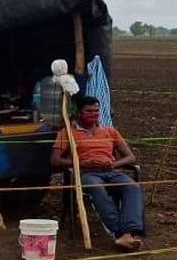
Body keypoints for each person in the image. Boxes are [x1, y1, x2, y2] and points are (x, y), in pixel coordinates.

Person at [50, 96, 145, 251]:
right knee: (96, 187)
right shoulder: (67, 132)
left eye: (96, 111)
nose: (93, 114)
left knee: (132, 186)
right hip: (88, 174)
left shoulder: (110, 131)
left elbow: (130, 157)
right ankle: (120, 233)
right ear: (79, 112)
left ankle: (128, 231)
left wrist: (113, 164)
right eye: (89, 111)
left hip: (111, 171)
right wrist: (82, 163)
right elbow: (55, 160)